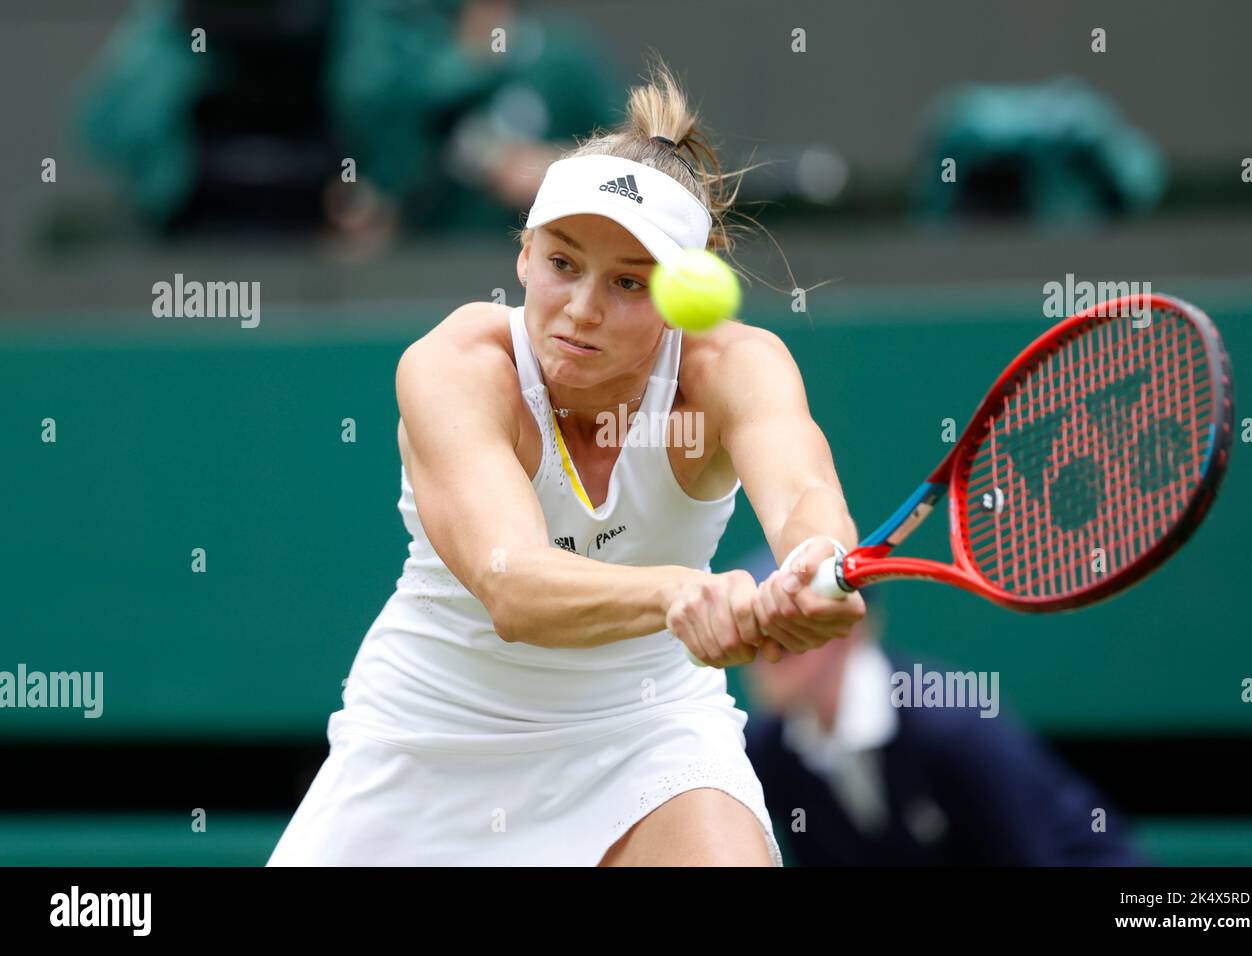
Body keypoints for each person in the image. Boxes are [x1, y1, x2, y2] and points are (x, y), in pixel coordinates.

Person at [267, 63, 865, 867]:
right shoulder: (457, 365)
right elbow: (513, 584)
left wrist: (816, 562)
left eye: (628, 282)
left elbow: (804, 493)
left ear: (682, 294)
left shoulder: (731, 368)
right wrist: (680, 590)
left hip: (647, 733)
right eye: (562, 264)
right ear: (523, 256)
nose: (581, 308)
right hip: (429, 733)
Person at [740, 548, 1150, 866]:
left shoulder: (951, 728)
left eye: (786, 640)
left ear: (845, 635)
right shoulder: (772, 751)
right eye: (757, 642)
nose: (766, 661)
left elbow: (1029, 856)